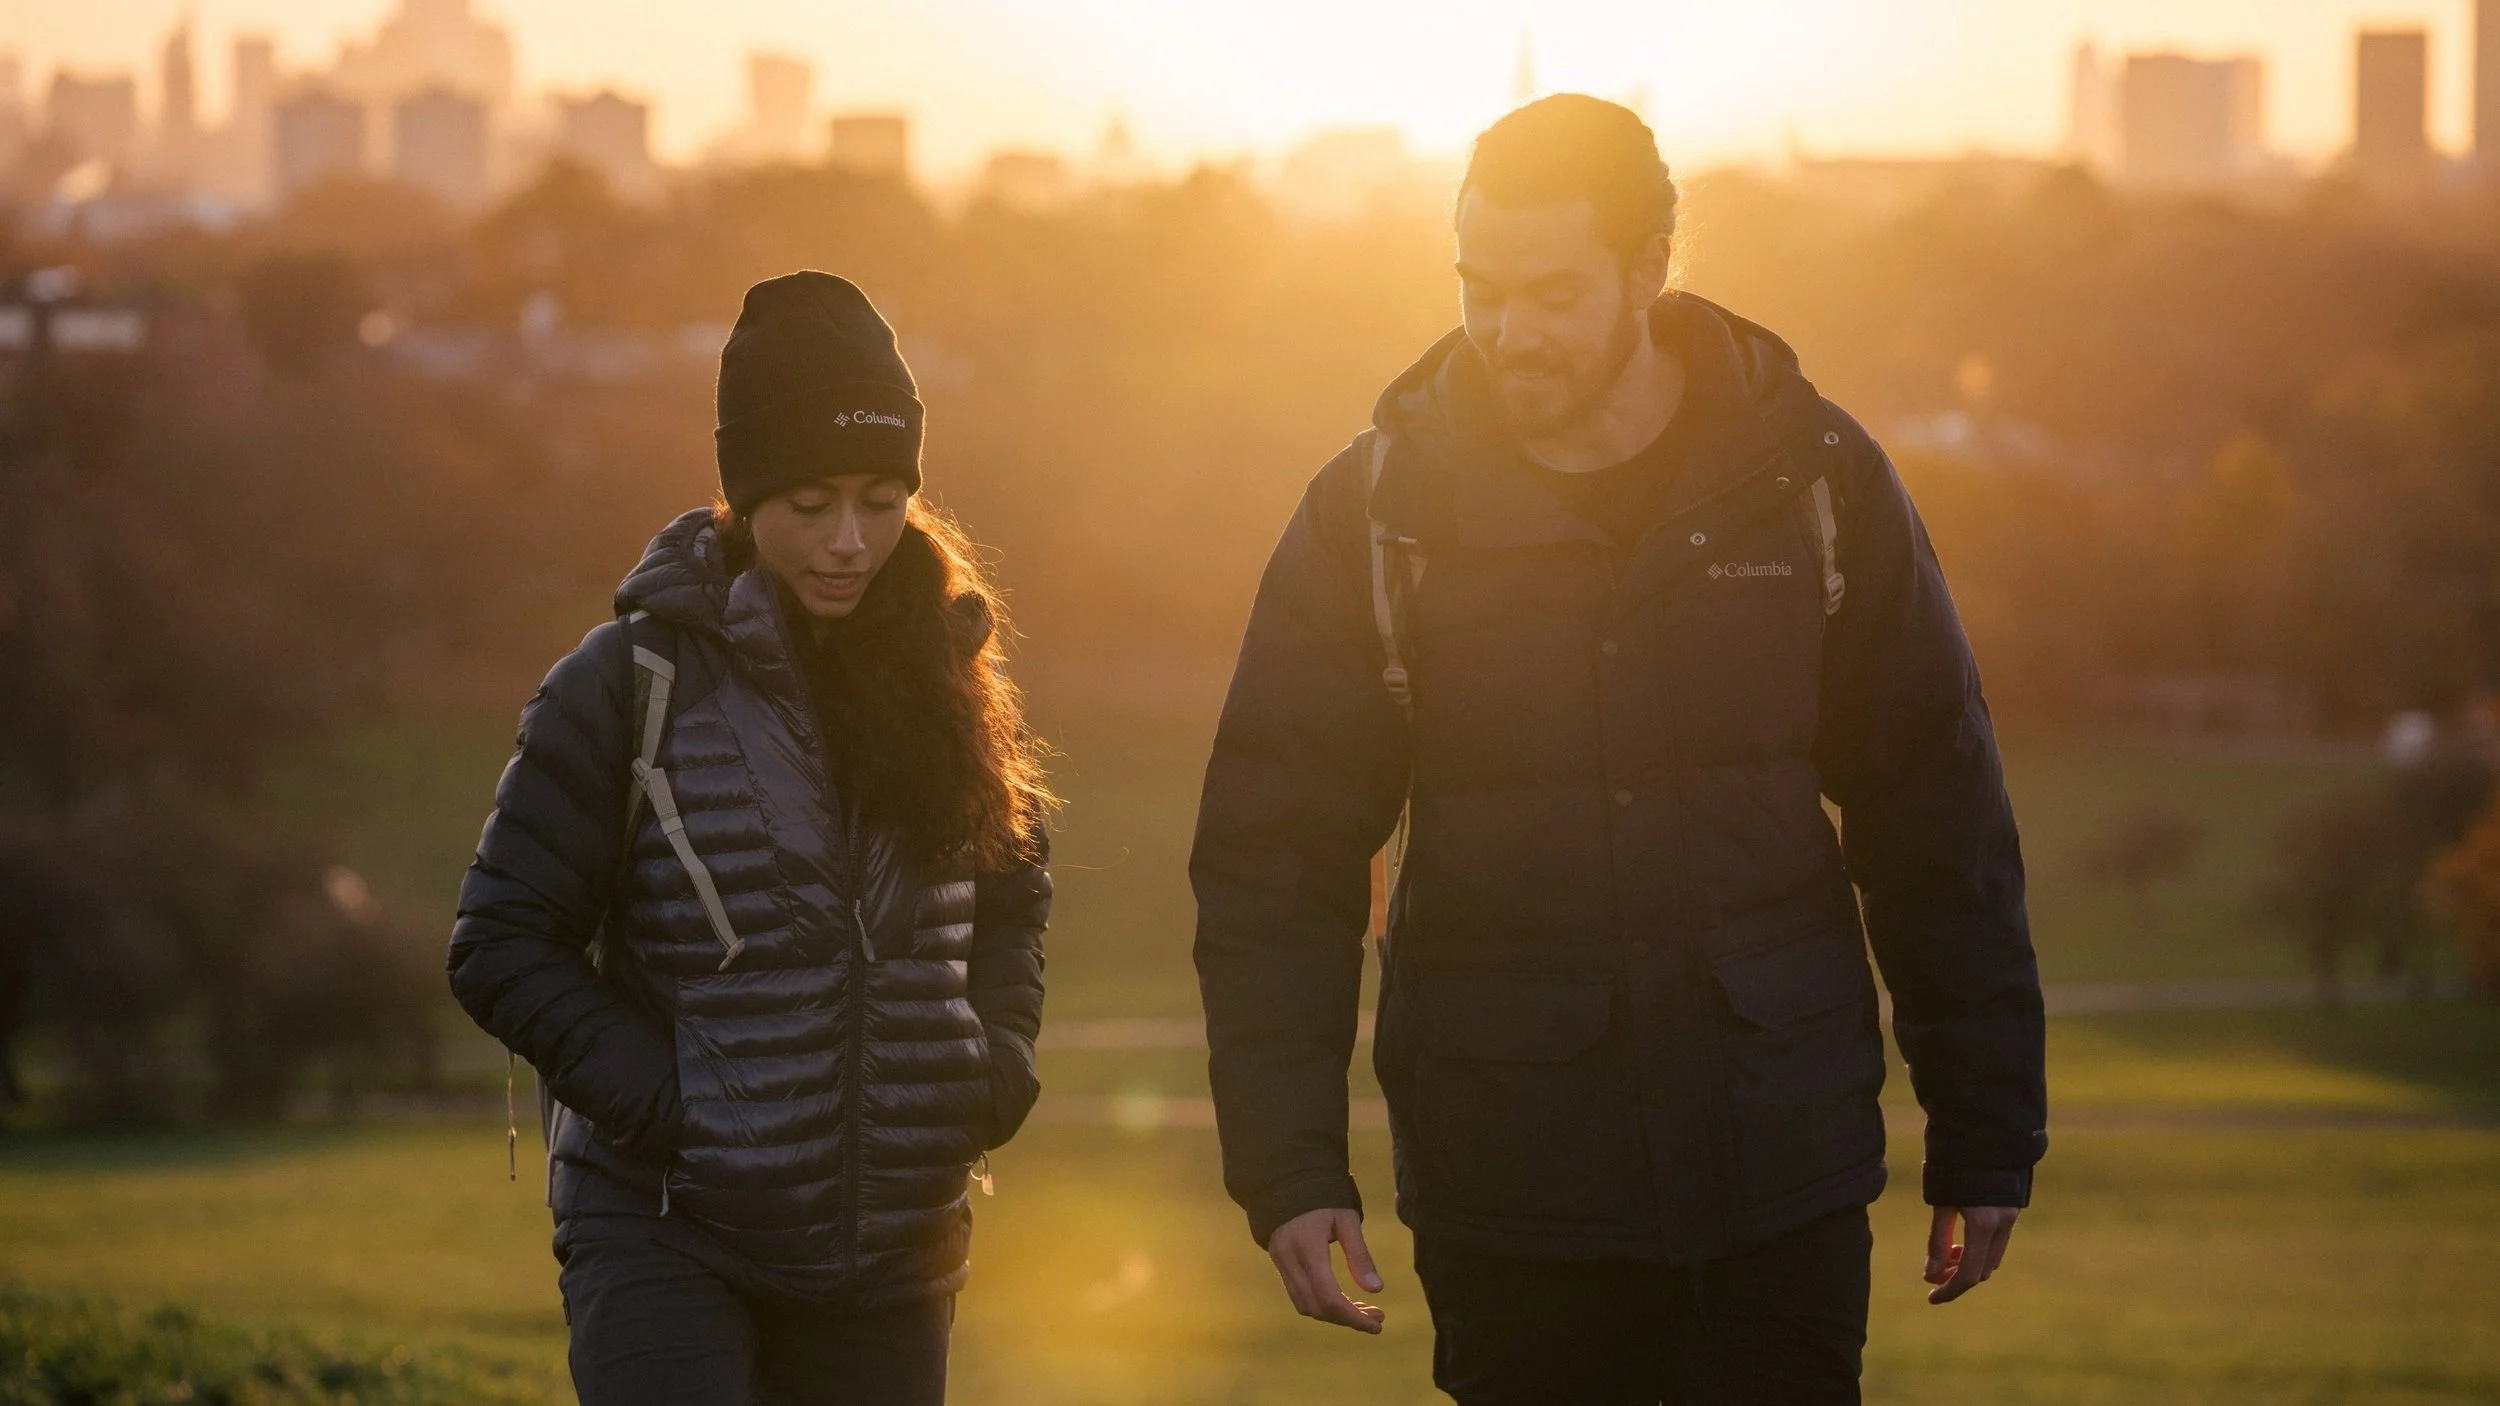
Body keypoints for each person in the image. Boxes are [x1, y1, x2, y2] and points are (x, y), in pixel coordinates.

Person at [1191, 96, 2046, 1404]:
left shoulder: (1810, 479)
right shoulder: (1376, 517)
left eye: (1552, 292)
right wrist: (1291, 1168)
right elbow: (1274, 862)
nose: (1507, 331)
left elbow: (1939, 818)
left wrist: (1987, 1132)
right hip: (1516, 1201)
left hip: (1784, 1185)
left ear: (1652, 269)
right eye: (1480, 286)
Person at [449, 271, 1054, 1406]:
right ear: (741, 493)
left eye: (881, 498)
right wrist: (681, 1107)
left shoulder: (954, 671)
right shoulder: (624, 683)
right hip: (666, 1232)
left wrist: (991, 1068)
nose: (848, 540)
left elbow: (1013, 886)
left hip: (892, 1254)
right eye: (810, 501)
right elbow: (500, 944)